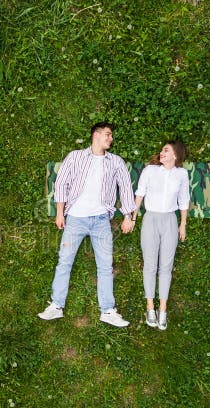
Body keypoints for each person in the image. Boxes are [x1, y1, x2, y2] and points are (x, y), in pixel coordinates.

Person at [38, 122, 136, 327]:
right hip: (75, 218)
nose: (111, 139)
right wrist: (59, 213)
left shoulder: (116, 161)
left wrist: (129, 216)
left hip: (101, 220)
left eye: (111, 136)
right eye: (108, 135)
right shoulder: (75, 156)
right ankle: (56, 305)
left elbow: (126, 187)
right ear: (96, 135)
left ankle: (108, 310)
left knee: (105, 266)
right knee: (64, 261)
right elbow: (61, 183)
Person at [131, 140, 190, 331]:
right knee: (150, 265)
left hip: (170, 221)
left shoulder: (182, 174)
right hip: (150, 219)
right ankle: (150, 307)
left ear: (176, 155)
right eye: (162, 150)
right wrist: (132, 217)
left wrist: (182, 224)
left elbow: (184, 199)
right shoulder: (150, 170)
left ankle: (162, 310)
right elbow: (140, 194)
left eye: (166, 150)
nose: (161, 153)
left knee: (166, 266)